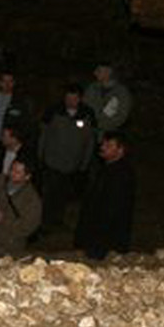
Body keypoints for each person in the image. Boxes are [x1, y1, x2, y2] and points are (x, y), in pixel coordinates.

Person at [37, 84, 97, 230]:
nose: (71, 101)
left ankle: (58, 220)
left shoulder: (87, 114)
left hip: (73, 164)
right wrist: (41, 156)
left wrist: (84, 163)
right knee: (50, 193)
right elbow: (43, 135)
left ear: (80, 99)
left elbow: (90, 141)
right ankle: (45, 222)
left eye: (74, 98)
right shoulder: (54, 111)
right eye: (68, 98)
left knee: (64, 194)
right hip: (52, 161)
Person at [74, 132, 137, 260]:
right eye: (103, 144)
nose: (103, 147)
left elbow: (112, 210)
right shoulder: (106, 169)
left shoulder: (121, 174)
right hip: (98, 236)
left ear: (120, 150)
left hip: (104, 240)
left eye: (109, 145)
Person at [0, 159, 42, 258]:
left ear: (27, 176)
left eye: (18, 172)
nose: (12, 173)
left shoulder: (31, 199)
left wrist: (4, 219)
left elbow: (28, 226)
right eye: (12, 169)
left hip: (8, 243)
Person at [84, 63, 133, 134]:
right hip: (90, 132)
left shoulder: (121, 92)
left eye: (99, 71)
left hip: (111, 133)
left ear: (108, 72)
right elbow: (84, 107)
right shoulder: (92, 89)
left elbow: (122, 115)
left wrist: (102, 124)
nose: (95, 73)